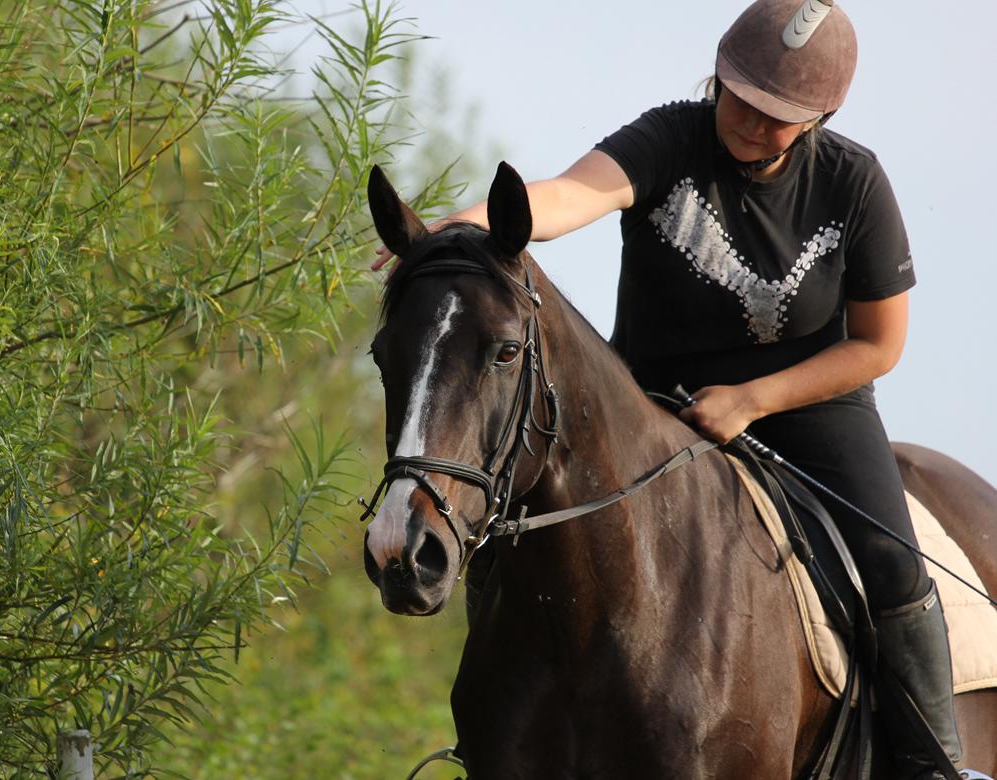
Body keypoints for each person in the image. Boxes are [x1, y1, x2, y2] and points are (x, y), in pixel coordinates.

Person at [372, 1, 987, 777]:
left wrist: (751, 400)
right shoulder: (670, 137)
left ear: (821, 117)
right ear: (718, 75)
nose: (752, 123)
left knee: (894, 564)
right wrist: (451, 235)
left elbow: (878, 345)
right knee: (513, 530)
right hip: (656, 400)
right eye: (740, 98)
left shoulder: (853, 183)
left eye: (778, 116)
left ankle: (935, 766)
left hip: (809, 406)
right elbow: (566, 196)